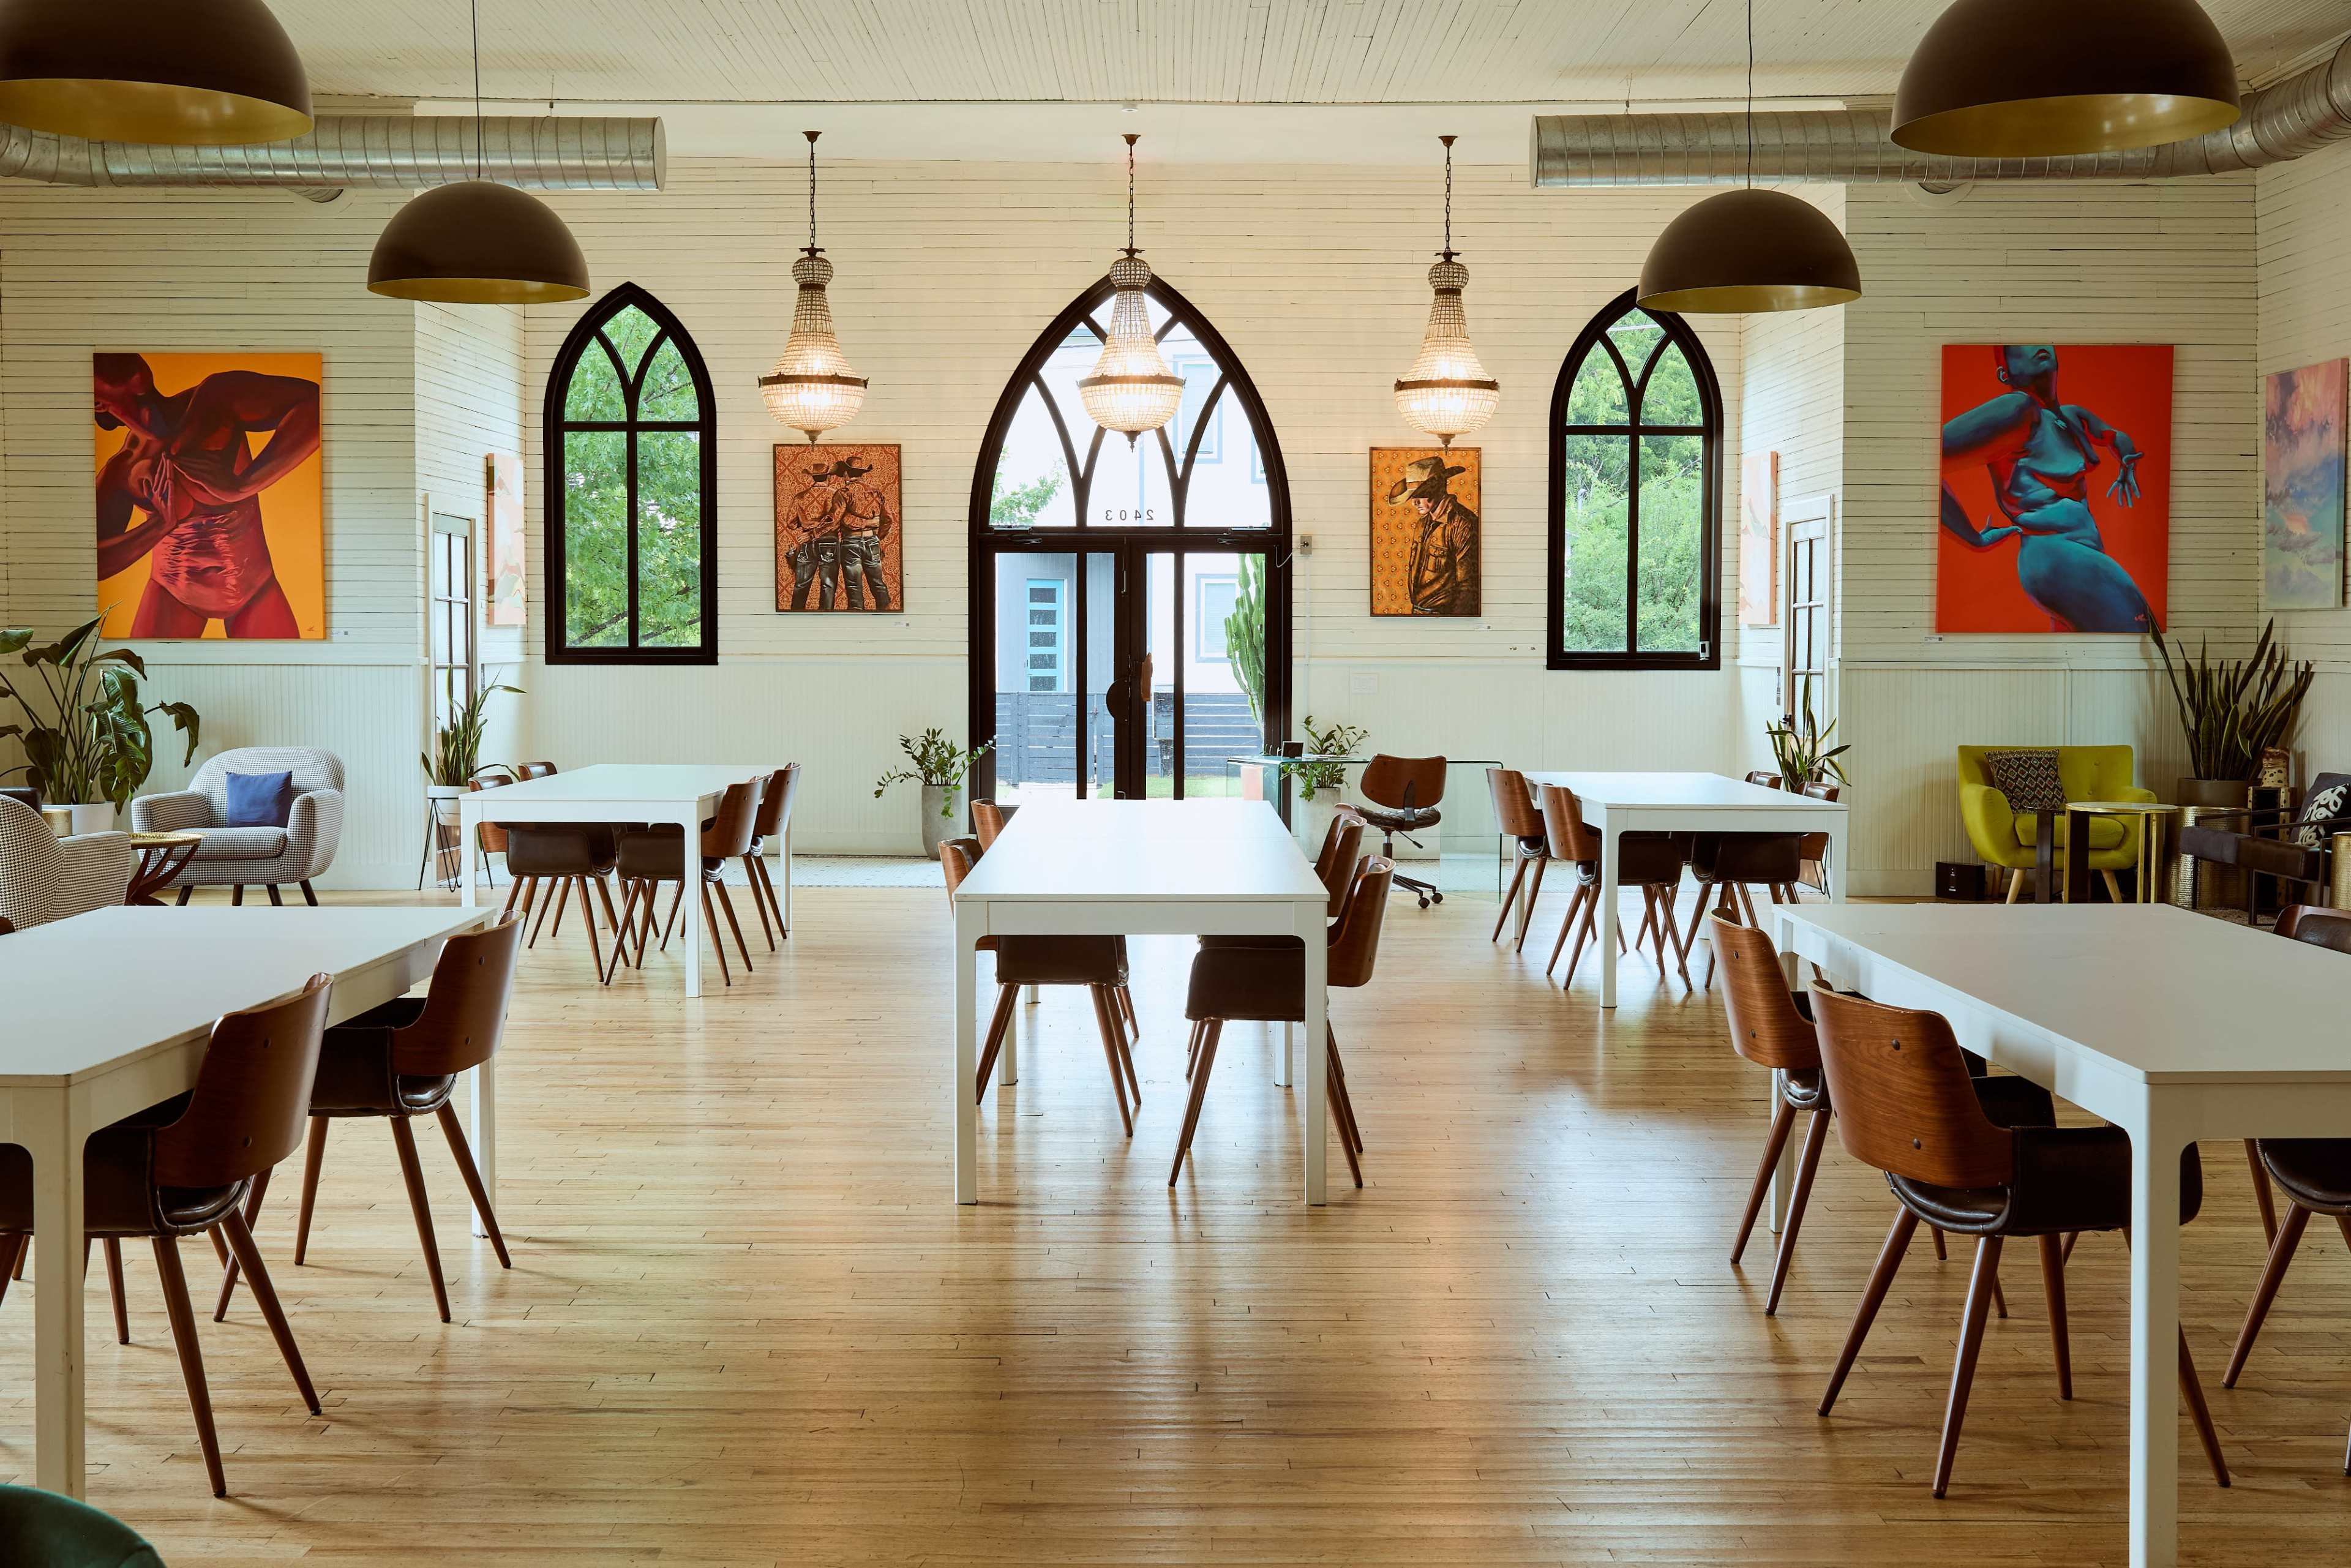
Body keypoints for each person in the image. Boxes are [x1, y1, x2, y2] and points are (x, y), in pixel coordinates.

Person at [94, 353, 320, 639]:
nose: (130, 376)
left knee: (286, 680)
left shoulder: (216, 399)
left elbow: (317, 404)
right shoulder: (124, 469)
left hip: (254, 588)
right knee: (147, 682)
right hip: (173, 594)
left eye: (124, 364)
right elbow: (94, 562)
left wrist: (244, 485)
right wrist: (159, 526)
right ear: (98, 403)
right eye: (110, 371)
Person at [1940, 343, 2155, 633]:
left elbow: (2113, 436)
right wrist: (1972, 539)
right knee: (2140, 635)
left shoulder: (2071, 416)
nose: (2038, 345)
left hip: (2076, 557)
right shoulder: (2018, 409)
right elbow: (1924, 457)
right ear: (2005, 373)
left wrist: (2126, 458)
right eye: (2020, 347)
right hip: (2057, 555)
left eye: (2045, 343)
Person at [1385, 454, 1479, 616]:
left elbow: (1468, 587)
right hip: (1418, 614)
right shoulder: (1422, 524)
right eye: (1413, 496)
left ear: (1438, 487)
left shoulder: (1462, 523)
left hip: (1446, 616)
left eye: (1421, 494)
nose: (1415, 502)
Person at [827, 454, 896, 612]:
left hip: (851, 543)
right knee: (878, 583)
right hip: (872, 541)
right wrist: (877, 537)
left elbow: (836, 520)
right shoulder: (877, 492)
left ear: (846, 474)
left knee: (853, 585)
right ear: (862, 473)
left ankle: (856, 620)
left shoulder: (843, 492)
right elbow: (889, 520)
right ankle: (887, 614)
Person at [778, 456, 843, 610]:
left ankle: (796, 615)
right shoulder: (836, 494)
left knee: (801, 584)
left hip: (806, 542)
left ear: (812, 477)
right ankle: (826, 618)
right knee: (828, 585)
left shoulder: (800, 497)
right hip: (829, 542)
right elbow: (836, 520)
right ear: (829, 477)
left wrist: (806, 522)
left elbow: (791, 523)